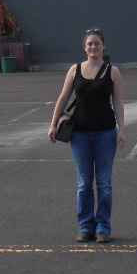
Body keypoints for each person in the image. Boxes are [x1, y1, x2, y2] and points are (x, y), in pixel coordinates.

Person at [48, 28, 125, 243]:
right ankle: (85, 227)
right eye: (90, 44)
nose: (93, 47)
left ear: (103, 46)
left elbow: (118, 102)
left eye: (97, 43)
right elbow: (62, 99)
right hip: (80, 135)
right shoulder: (74, 70)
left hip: (105, 134)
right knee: (83, 184)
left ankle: (103, 228)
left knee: (104, 184)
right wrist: (53, 124)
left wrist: (122, 130)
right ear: (84, 47)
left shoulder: (113, 72)